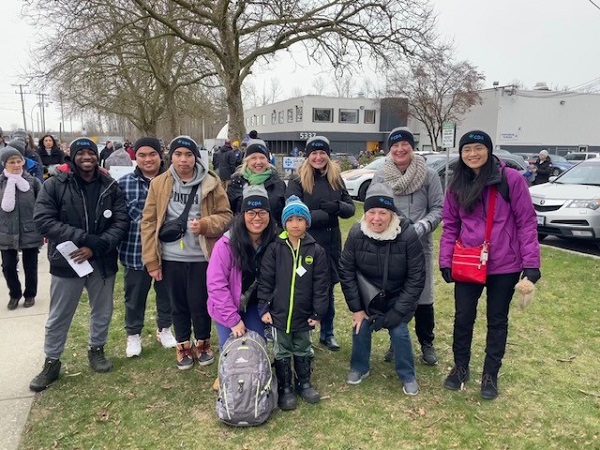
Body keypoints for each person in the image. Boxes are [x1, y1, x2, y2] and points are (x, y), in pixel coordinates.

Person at [439, 130, 541, 400]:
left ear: (488, 149)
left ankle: (490, 374)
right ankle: (460, 368)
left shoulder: (511, 180)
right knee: (463, 318)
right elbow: (450, 225)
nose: (472, 154)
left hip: (504, 264)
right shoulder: (456, 184)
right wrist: (445, 259)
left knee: (497, 321)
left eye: (478, 148)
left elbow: (526, 222)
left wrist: (531, 263)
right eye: (466, 149)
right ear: (461, 154)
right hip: (468, 262)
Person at [29, 137, 129, 392]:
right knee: (60, 315)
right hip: (67, 261)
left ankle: (97, 349)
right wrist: (83, 239)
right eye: (81, 152)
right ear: (72, 156)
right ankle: (52, 361)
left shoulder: (110, 185)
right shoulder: (54, 185)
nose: (87, 157)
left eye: (90, 152)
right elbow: (43, 220)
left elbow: (121, 222)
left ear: (97, 156)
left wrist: (95, 246)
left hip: (102, 260)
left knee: (102, 310)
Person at [141, 135, 231, 370]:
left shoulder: (211, 182)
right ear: (171, 157)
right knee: (177, 304)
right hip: (171, 258)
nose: (183, 160)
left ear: (196, 157)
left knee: (200, 303)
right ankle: (183, 346)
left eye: (188, 155)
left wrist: (205, 225)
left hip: (203, 256)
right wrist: (151, 260)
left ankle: (203, 343)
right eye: (178, 154)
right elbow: (148, 222)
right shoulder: (159, 183)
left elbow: (226, 216)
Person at [339, 184, 425, 395]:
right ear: (365, 213)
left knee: (400, 332)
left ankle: (407, 374)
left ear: (391, 214)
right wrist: (357, 308)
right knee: (360, 327)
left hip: (398, 298)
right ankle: (359, 367)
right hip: (368, 298)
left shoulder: (407, 235)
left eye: (383, 212)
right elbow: (346, 271)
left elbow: (416, 277)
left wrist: (397, 313)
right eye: (371, 212)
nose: (376, 218)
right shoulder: (356, 233)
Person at [372, 127, 443, 365]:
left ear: (412, 147)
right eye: (395, 145)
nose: (400, 149)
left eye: (405, 144)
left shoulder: (429, 175)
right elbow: (374, 206)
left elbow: (438, 208)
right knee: (396, 293)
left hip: (419, 244)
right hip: (391, 245)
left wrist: (422, 226)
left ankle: (427, 342)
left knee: (423, 295)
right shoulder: (381, 175)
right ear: (389, 149)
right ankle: (396, 340)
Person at [258, 195, 329, 410]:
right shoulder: (274, 249)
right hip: (279, 314)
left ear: (307, 222)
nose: (295, 224)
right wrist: (264, 306)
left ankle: (304, 382)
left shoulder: (316, 251)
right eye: (290, 220)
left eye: (300, 219)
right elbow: (266, 279)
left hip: (304, 314)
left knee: (303, 347)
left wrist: (318, 313)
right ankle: (286, 387)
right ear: (284, 223)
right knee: (281, 349)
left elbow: (321, 285)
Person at [285, 135, 355, 351]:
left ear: (328, 154)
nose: (318, 157)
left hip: (331, 243)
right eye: (314, 153)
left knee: (327, 291)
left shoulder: (335, 178)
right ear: (308, 156)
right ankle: (303, 333)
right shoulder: (297, 180)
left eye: (322, 153)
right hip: (306, 241)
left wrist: (337, 207)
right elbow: (293, 212)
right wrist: (324, 214)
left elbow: (350, 208)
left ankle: (327, 332)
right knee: (304, 289)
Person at [117, 137, 176, 358]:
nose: (147, 159)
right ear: (135, 157)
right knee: (134, 297)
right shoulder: (123, 184)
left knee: (166, 294)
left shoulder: (173, 181)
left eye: (152, 154)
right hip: (135, 252)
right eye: (142, 155)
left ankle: (165, 329)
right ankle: (133, 334)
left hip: (167, 251)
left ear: (160, 155)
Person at [207, 185, 277, 356]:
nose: (257, 218)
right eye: (251, 212)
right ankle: (227, 372)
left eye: (262, 212)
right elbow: (216, 285)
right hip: (227, 304)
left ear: (269, 214)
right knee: (231, 348)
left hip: (256, 304)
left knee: (256, 345)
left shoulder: (275, 241)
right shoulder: (225, 245)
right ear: (243, 215)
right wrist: (233, 320)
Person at [0, 147, 43, 310]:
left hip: (30, 230)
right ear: (5, 164)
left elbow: (43, 206)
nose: (16, 165)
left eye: (19, 161)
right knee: (8, 266)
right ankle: (15, 294)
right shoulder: (1, 182)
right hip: (6, 232)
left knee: (30, 266)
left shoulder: (33, 182)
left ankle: (30, 294)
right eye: (12, 162)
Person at [227, 139, 286, 226]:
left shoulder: (278, 184)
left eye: (262, 157)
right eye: (253, 158)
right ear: (247, 161)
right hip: (242, 235)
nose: (258, 162)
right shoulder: (236, 183)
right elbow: (229, 213)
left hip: (273, 235)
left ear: (268, 160)